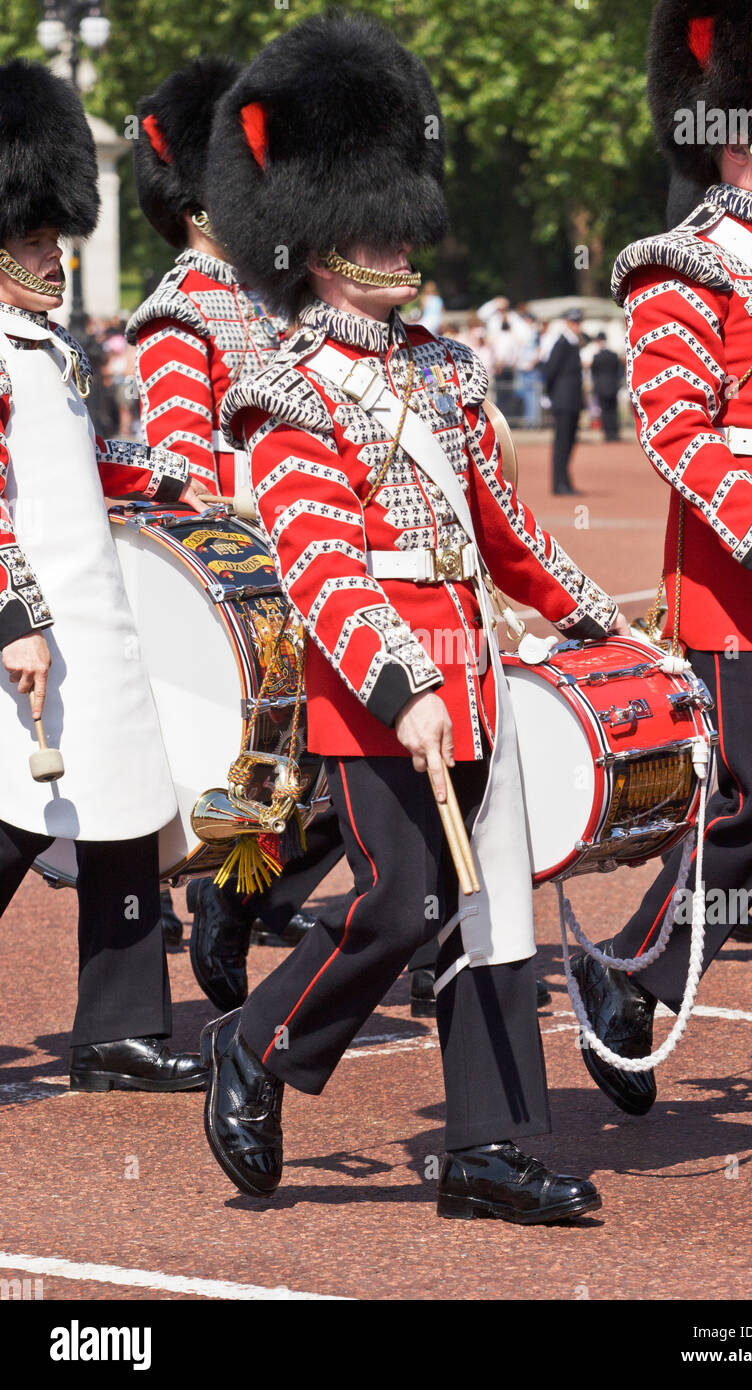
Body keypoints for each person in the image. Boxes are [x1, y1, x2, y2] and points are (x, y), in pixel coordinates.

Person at [202, 11, 630, 1220]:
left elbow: (504, 534)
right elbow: (324, 568)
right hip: (375, 687)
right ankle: (258, 1043)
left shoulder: (445, 369)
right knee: (399, 901)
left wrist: (602, 620)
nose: (397, 234)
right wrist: (406, 685)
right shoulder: (285, 395)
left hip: (473, 674)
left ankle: (485, 1147)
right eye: (369, 219)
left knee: (487, 902)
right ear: (318, 238)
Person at [572, 0, 752, 1124]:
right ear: (732, 129)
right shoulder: (675, 263)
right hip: (749, 577)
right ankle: (634, 967)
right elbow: (673, 428)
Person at [0, 60, 211, 1091]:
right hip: (34, 618)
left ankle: (119, 1030)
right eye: (35, 242)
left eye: (54, 240)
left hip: (97, 618)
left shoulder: (42, 342)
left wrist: (176, 480)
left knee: (127, 813)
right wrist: (15, 619)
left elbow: (79, 466)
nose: (55, 259)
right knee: (9, 822)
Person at [127, 56, 346, 986]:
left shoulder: (272, 294)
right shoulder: (181, 310)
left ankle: (269, 895)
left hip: (322, 542)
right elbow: (182, 469)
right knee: (300, 764)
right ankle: (235, 891)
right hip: (257, 565)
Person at [543, 308, 585, 493]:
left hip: (572, 400)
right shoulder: (562, 342)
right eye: (574, 322)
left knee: (569, 441)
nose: (577, 326)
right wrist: (550, 395)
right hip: (563, 399)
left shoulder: (573, 342)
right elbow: (551, 370)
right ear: (567, 323)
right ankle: (559, 483)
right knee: (562, 442)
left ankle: (565, 481)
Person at [589, 332, 623, 442]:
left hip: (601, 386)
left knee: (605, 410)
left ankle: (608, 433)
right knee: (613, 410)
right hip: (613, 385)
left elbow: (594, 372)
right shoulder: (614, 355)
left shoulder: (597, 357)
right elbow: (618, 370)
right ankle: (614, 432)